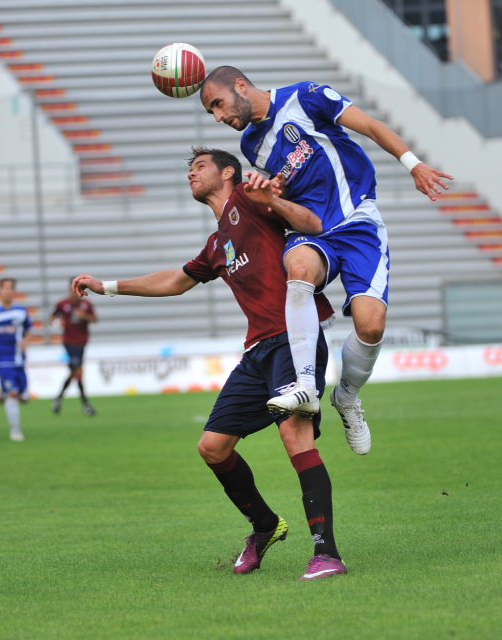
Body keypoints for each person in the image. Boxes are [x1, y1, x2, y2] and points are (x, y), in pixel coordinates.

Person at [72, 147, 348, 582]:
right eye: (188, 170)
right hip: (257, 351)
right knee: (213, 448)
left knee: (296, 440)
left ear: (228, 172)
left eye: (198, 167)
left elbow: (311, 223)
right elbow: (175, 281)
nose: (190, 175)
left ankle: (327, 553)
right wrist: (106, 285)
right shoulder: (218, 243)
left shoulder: (250, 199)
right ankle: (264, 527)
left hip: (294, 340)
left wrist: (272, 197)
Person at [200, 66, 454, 455]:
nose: (219, 117)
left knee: (371, 326)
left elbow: (368, 125)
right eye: (211, 113)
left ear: (240, 86)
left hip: (357, 220)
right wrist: (270, 192)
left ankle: (347, 396)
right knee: (298, 269)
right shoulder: (252, 145)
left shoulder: (305, 96)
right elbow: (284, 187)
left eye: (218, 104)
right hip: (312, 228)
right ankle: (304, 386)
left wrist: (412, 164)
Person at [51, 282, 98, 416]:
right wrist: (58, 323)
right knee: (78, 370)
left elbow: (95, 319)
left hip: (82, 342)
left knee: (75, 372)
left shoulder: (86, 305)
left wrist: (85, 317)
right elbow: (53, 317)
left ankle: (58, 398)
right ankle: (86, 404)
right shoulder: (63, 304)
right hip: (69, 342)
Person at [0, 278, 31, 442]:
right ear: (0, 290)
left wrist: (26, 341)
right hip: (2, 359)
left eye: (11, 288)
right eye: (5, 288)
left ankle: (2, 391)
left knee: (24, 397)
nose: (8, 291)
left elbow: (28, 329)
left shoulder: (20, 311)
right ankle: (16, 431)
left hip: (19, 359)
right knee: (13, 393)